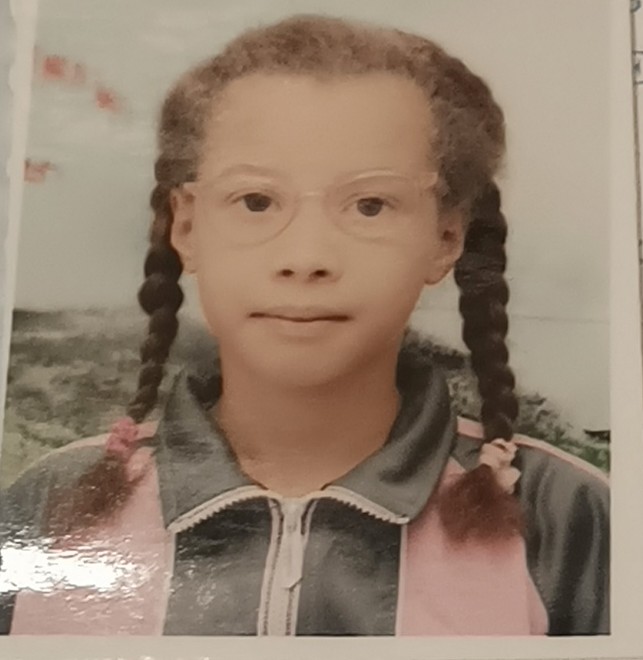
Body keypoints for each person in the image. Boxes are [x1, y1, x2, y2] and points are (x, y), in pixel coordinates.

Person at [0, 13, 608, 636]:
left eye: (370, 205)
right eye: (256, 201)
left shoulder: (569, 518)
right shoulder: (46, 504)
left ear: (446, 236)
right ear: (187, 226)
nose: (305, 257)